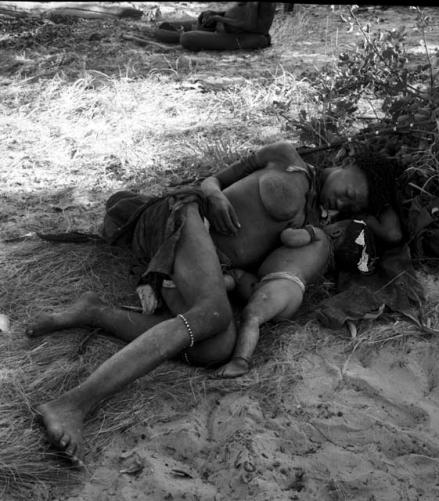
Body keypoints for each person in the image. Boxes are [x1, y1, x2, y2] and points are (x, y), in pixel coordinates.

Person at [26, 141, 326, 466]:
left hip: (206, 258)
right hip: (185, 213)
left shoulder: (314, 223)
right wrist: (214, 195)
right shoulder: (285, 157)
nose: (352, 200)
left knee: (218, 347)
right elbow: (212, 180)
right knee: (214, 313)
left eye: (361, 202)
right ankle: (73, 403)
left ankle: (96, 311)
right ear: (346, 157)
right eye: (357, 189)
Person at [216, 219, 378, 377]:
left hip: (283, 283)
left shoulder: (319, 235)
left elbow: (289, 238)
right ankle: (213, 289)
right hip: (276, 287)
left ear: (336, 231)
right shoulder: (326, 263)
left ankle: (240, 361)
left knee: (252, 315)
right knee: (238, 277)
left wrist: (292, 229)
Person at [150, 2, 276, 51]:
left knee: (187, 38)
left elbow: (249, 24)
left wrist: (219, 18)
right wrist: (214, 14)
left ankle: (179, 35)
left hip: (247, 37)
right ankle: (179, 32)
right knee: (164, 27)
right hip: (224, 29)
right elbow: (236, 12)